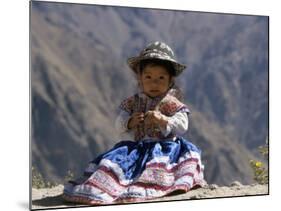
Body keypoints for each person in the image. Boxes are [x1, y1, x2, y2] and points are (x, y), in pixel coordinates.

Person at [63, 41, 206, 205]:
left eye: (161, 77)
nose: (154, 83)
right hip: (138, 149)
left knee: (160, 170)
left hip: (166, 148)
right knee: (115, 167)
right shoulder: (132, 103)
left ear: (170, 80)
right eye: (148, 77)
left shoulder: (172, 103)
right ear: (140, 79)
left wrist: (163, 120)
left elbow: (182, 125)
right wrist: (130, 122)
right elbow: (119, 124)